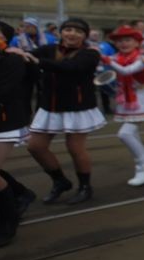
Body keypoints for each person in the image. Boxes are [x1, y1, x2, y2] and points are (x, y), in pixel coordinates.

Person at [21, 18, 105, 204]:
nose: (72, 34)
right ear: (61, 32)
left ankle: (85, 186)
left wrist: (38, 62)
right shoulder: (49, 49)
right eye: (68, 30)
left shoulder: (90, 53)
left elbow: (72, 68)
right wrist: (15, 52)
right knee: (35, 147)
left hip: (77, 109)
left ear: (84, 35)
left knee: (75, 148)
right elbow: (27, 57)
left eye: (78, 31)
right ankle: (60, 181)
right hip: (49, 108)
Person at [103, 25, 144, 186]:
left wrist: (107, 60)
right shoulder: (117, 57)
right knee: (132, 135)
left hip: (141, 99)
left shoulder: (141, 59)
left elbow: (126, 71)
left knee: (125, 134)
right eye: (120, 41)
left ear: (137, 43)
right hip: (126, 99)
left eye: (128, 40)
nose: (123, 43)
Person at [0, 21, 39, 246]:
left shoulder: (13, 60)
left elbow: (4, 90)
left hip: (5, 123)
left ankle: (8, 221)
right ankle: (20, 193)